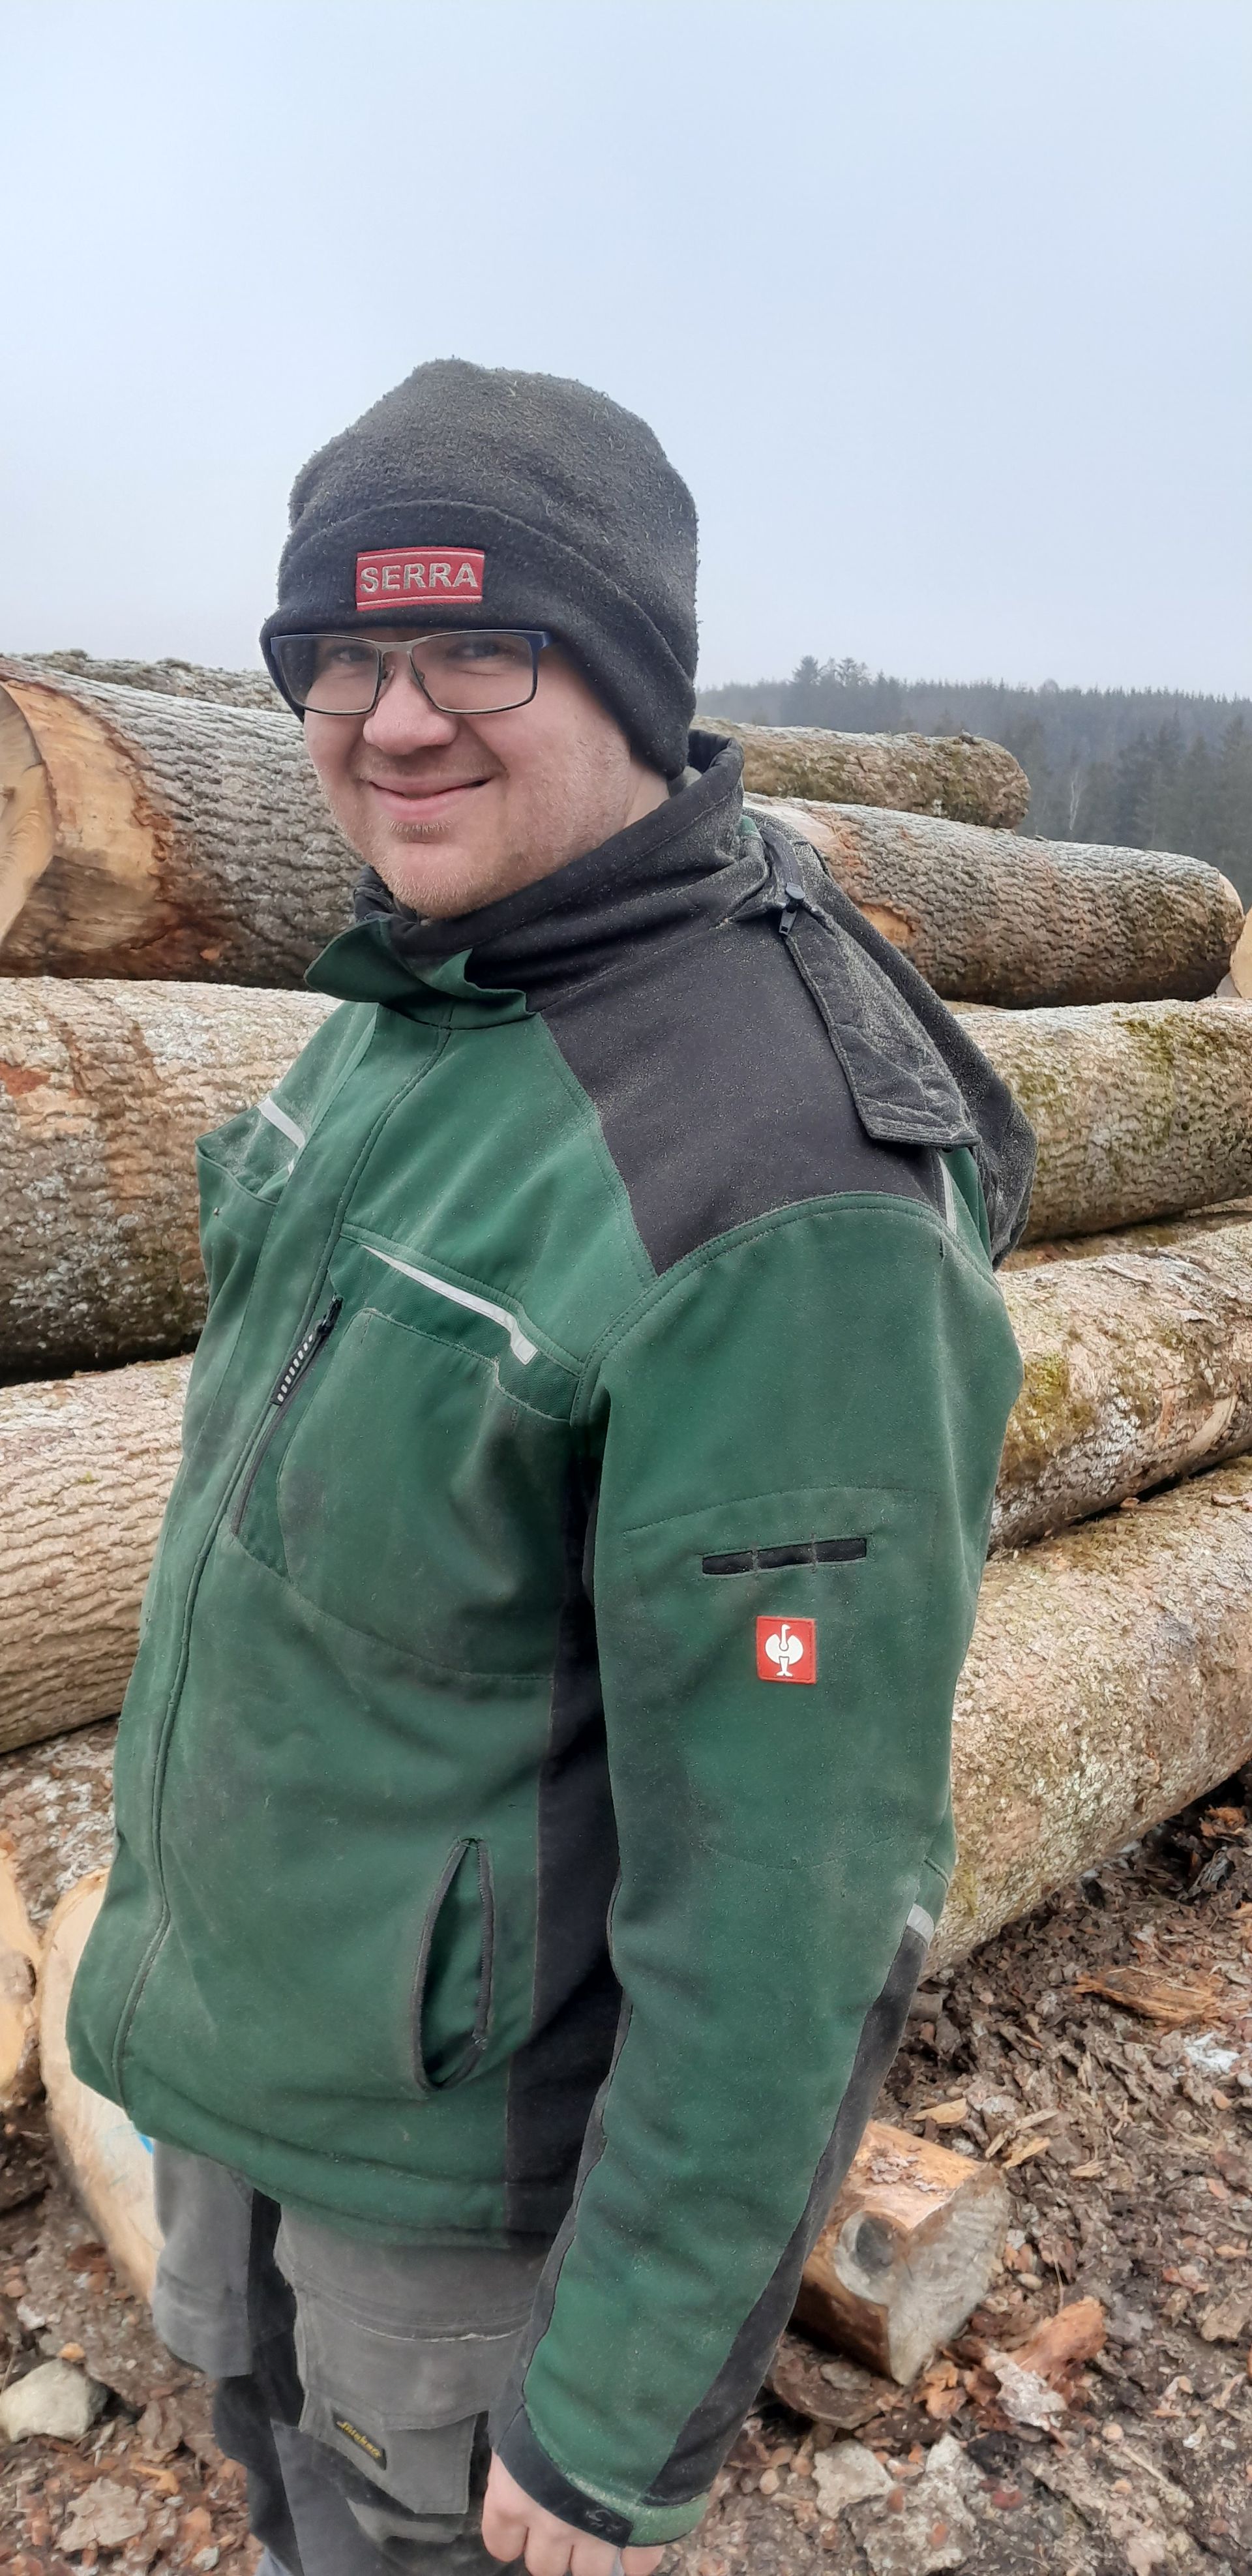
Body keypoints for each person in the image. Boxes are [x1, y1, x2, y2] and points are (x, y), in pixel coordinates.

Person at [68, 360, 1033, 2576]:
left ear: (631, 670)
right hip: (255, 2073)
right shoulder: (435, 985)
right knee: (279, 2496)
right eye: (341, 652)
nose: (393, 720)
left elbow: (797, 1893)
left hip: (462, 2219)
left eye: (478, 645)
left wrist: (615, 2412)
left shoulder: (786, 1198)